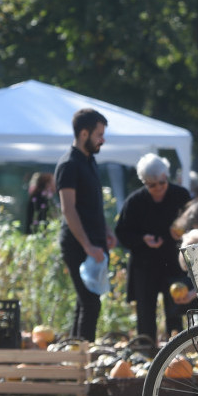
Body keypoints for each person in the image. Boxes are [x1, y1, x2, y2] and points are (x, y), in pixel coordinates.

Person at [114, 154, 192, 346]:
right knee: (145, 313)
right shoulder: (135, 202)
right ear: (144, 183)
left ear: (167, 176)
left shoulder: (181, 195)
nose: (158, 188)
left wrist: (181, 234)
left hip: (173, 262)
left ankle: (176, 353)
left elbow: (193, 223)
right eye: (152, 185)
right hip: (145, 264)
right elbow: (122, 232)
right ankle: (146, 353)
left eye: (161, 183)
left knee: (175, 310)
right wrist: (142, 239)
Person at [55, 108, 117, 342]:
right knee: (90, 303)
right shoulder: (69, 164)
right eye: (99, 134)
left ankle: (74, 358)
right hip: (78, 244)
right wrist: (88, 246)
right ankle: (84, 359)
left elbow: (92, 206)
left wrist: (106, 232)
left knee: (86, 303)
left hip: (94, 241)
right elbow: (68, 209)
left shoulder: (90, 162)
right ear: (84, 134)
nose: (103, 139)